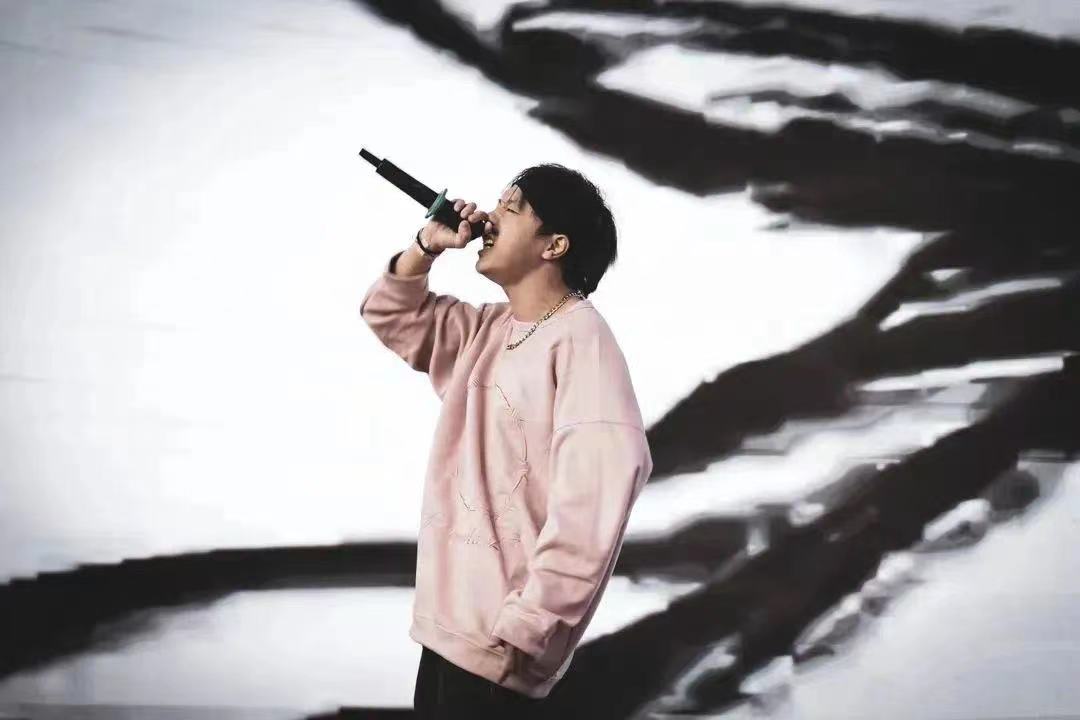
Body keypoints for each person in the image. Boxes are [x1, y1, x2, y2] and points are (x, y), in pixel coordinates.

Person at [359, 163, 653, 719]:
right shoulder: (485, 331)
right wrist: (426, 246)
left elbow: (596, 495)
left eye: (511, 208)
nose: (488, 218)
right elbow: (389, 313)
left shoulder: (582, 340)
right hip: (446, 633)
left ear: (554, 245)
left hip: (502, 647)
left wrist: (532, 624)